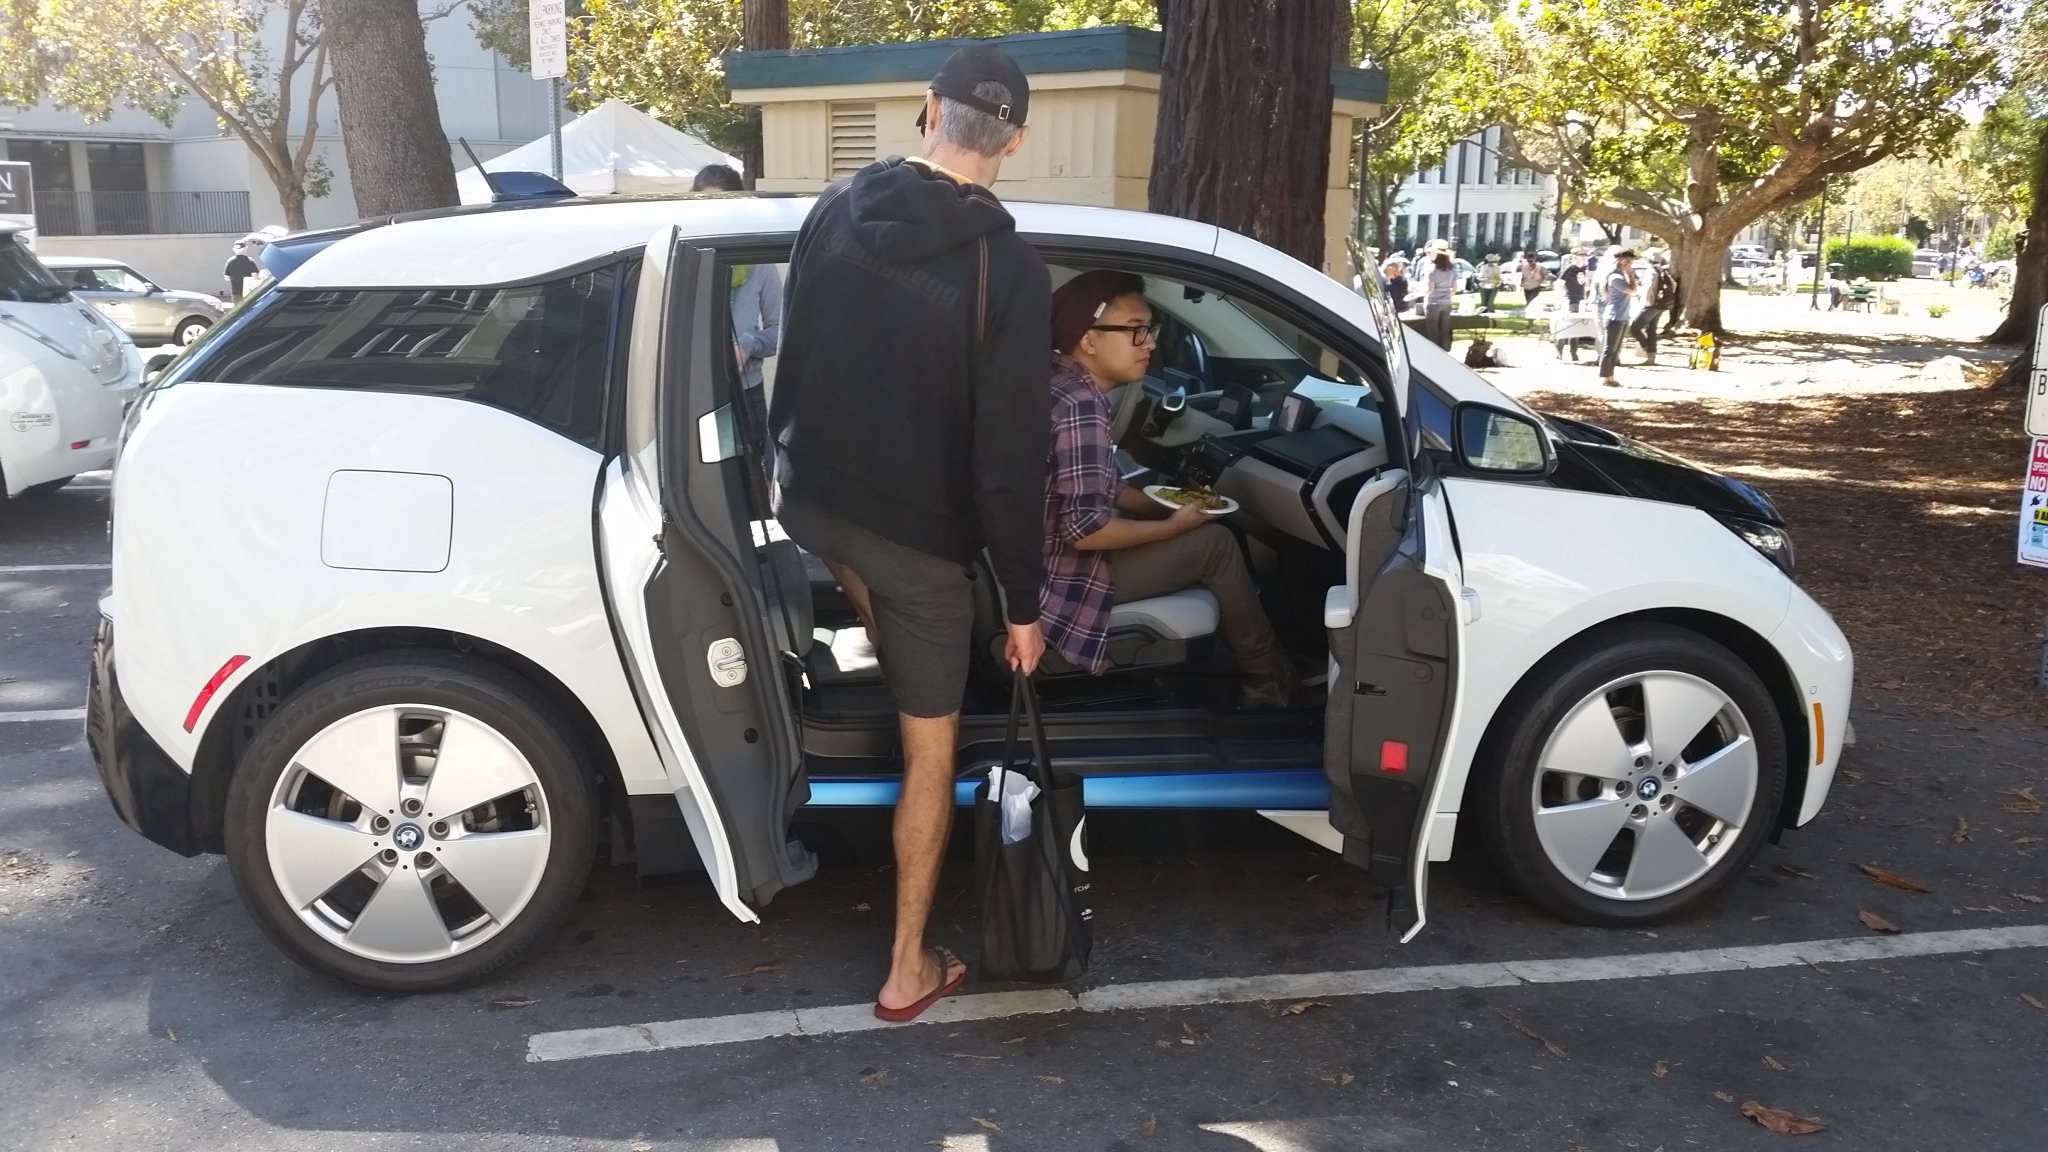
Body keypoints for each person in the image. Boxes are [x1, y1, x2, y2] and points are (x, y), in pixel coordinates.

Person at [769, 45, 1047, 1024]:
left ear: (927, 109)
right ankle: (906, 970)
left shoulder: (833, 207)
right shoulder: (1008, 267)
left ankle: (889, 638)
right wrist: (1022, 606)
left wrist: (787, 466)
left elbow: (796, 345)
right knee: (931, 753)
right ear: (1014, 141)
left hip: (814, 502)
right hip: (918, 547)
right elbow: (1009, 460)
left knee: (867, 575)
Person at [1039, 270, 1294, 709]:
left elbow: (1103, 485)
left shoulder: (1059, 386)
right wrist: (1174, 527)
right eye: (1135, 331)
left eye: (1150, 330)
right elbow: (1085, 530)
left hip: (1037, 565)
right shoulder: (1081, 407)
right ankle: (1268, 681)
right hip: (1063, 579)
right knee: (1215, 544)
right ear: (1088, 339)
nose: (1150, 344)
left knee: (1202, 532)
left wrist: (1163, 507)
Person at [693, 163, 783, 473]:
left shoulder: (758, 263)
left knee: (751, 477)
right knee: (709, 478)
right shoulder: (686, 262)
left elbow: (780, 331)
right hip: (695, 391)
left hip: (747, 393)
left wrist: (747, 344)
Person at [1596, 247, 1637, 387]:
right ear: (1623, 261)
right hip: (1614, 316)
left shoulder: (1621, 276)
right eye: (1629, 261)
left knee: (1616, 349)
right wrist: (1630, 274)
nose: (1631, 264)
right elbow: (1632, 289)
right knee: (1610, 349)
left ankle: (1610, 376)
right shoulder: (1616, 277)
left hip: (1622, 316)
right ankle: (1605, 377)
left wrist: (1629, 274)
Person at [1631, 251, 1674, 364]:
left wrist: (1647, 303)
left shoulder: (1650, 271)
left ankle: (1647, 349)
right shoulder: (1662, 271)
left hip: (1651, 305)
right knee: (1652, 330)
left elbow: (1649, 288)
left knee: (1634, 328)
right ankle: (1651, 356)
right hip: (1660, 305)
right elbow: (1673, 285)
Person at [1421, 250, 1457, 349]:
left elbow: (1430, 289)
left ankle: (1433, 352)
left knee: (1433, 332)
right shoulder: (1452, 269)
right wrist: (1446, 293)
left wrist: (1417, 293)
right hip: (1447, 302)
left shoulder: (1432, 270)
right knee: (1445, 330)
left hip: (1433, 303)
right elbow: (1455, 289)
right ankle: (1445, 351)